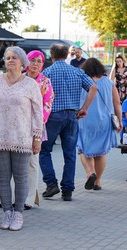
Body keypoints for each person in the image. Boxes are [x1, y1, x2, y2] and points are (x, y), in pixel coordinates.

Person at [0, 46, 43, 231]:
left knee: (21, 177)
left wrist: (37, 137)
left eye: (14, 58)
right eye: (7, 57)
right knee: (2, 177)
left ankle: (18, 213)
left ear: (22, 62)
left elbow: (37, 112)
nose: (10, 60)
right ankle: (7, 212)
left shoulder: (30, 84)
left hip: (22, 137)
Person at [40, 43, 98, 202]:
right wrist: (84, 107)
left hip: (52, 116)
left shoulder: (47, 73)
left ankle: (51, 183)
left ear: (51, 55)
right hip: (72, 116)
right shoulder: (78, 72)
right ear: (67, 56)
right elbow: (93, 88)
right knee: (70, 154)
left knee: (44, 150)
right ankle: (68, 190)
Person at [14, 50, 54, 209]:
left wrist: (38, 122)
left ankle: (29, 199)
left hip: (35, 127)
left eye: (39, 61)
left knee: (32, 163)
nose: (35, 64)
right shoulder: (18, 79)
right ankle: (13, 197)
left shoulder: (45, 82)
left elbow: (47, 105)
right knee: (15, 163)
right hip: (16, 126)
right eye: (32, 60)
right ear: (26, 62)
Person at [77, 58, 122, 190]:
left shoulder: (81, 82)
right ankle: (97, 182)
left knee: (84, 150)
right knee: (100, 153)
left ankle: (90, 173)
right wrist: (119, 121)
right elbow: (117, 103)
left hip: (84, 121)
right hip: (104, 122)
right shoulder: (109, 83)